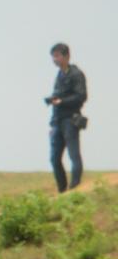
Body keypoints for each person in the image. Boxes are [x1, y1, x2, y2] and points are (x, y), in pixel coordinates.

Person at [46, 42, 88, 192]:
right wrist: (52, 124)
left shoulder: (76, 74)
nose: (55, 59)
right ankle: (62, 190)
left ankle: (75, 187)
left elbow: (81, 96)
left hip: (71, 119)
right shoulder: (59, 75)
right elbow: (56, 100)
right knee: (54, 158)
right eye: (53, 56)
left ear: (66, 56)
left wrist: (62, 101)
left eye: (57, 56)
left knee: (73, 155)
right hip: (58, 121)